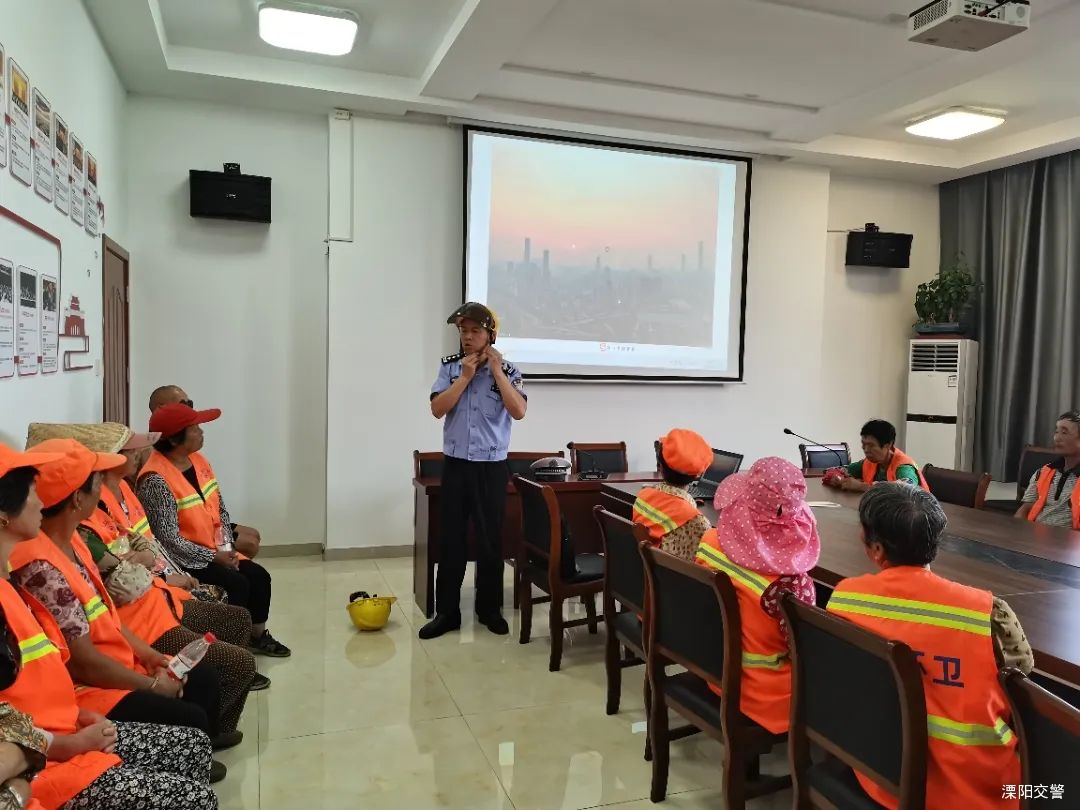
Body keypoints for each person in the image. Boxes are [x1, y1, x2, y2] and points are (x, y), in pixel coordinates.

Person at [0, 442, 218, 808]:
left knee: (194, 740)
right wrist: (59, 745)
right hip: (45, 758)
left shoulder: (50, 556)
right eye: (32, 493)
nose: (40, 502)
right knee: (195, 788)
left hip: (60, 726)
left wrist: (145, 659)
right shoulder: (36, 569)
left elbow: (101, 621)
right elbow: (80, 662)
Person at [827, 483, 1031, 809]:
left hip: (880, 773)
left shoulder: (845, 598)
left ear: (877, 549)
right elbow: (1023, 677)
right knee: (1056, 787)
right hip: (978, 789)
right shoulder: (989, 614)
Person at [138, 404, 290, 658]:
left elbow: (219, 510)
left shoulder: (198, 460)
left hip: (215, 549)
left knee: (259, 577)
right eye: (195, 428)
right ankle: (232, 651)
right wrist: (214, 557)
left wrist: (227, 548)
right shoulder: (155, 479)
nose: (201, 432)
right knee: (237, 585)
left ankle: (256, 635)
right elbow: (169, 540)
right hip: (185, 558)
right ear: (174, 439)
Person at [419, 302, 527, 640]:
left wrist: (496, 372)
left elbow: (519, 411)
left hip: (491, 468)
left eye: (474, 331)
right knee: (451, 539)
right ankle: (447, 613)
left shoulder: (509, 370)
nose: (467, 337)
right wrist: (465, 378)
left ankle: (489, 610)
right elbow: (437, 409)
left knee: (490, 540)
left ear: (490, 335)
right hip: (456, 465)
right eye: (463, 331)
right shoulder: (450, 368)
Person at [694, 457, 820, 734]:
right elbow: (804, 651)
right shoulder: (791, 582)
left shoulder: (710, 541)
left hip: (717, 674)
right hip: (769, 699)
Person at [148, 386, 261, 559]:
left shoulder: (196, 457)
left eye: (190, 403)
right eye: (183, 403)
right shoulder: (153, 465)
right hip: (192, 538)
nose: (189, 407)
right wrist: (215, 555)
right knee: (249, 544)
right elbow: (168, 534)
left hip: (208, 524)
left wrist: (224, 544)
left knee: (252, 537)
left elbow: (218, 506)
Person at [632, 429, 713, 561]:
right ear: (698, 474)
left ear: (660, 467)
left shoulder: (643, 496)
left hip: (648, 569)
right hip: (675, 574)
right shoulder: (698, 523)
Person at [822, 419, 928, 493]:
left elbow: (907, 489)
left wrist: (863, 487)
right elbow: (833, 470)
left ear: (888, 445)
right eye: (863, 444)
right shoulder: (869, 462)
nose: (866, 450)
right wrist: (836, 477)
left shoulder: (904, 466)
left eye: (871, 445)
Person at [1016, 410, 1080, 528]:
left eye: (1064, 432)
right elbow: (1026, 508)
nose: (1056, 438)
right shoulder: (1043, 472)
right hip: (1034, 534)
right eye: (1056, 432)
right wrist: (1017, 531)